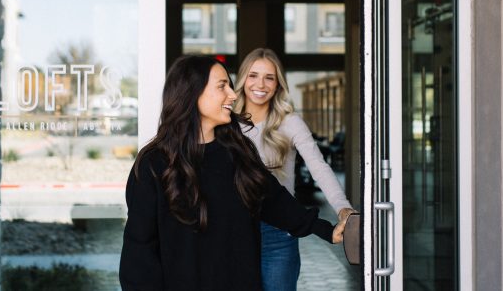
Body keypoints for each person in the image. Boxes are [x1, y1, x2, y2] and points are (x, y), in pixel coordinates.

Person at [119, 55, 348, 291]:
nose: (233, 94)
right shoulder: (153, 165)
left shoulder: (237, 153)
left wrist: (327, 230)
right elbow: (139, 253)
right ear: (192, 92)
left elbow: (274, 201)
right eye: (222, 86)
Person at [234, 48, 357, 291]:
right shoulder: (226, 124)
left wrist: (343, 209)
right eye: (253, 75)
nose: (261, 84)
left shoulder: (290, 122)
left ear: (278, 83)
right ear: (242, 79)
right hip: (235, 231)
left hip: (280, 233)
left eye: (269, 77)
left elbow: (319, 168)